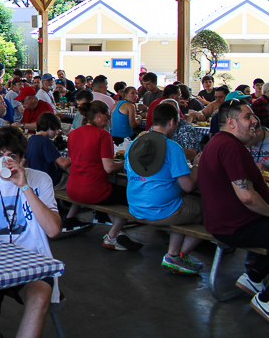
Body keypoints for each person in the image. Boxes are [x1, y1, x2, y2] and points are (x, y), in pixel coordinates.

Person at [0, 126, 61, 338]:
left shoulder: (40, 180)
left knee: (39, 297)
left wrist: (24, 186)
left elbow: (53, 230)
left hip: (32, 265)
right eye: (0, 155)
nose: (5, 161)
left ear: (22, 159)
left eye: (12, 156)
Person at [197, 99, 269, 321]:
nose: (254, 121)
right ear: (231, 122)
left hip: (229, 222)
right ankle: (265, 300)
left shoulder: (220, 142)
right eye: (248, 117)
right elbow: (247, 196)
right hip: (235, 226)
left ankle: (254, 277)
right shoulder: (230, 147)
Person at [125, 103, 204, 274]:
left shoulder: (134, 144)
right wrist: (197, 166)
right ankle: (178, 256)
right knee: (208, 211)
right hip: (161, 211)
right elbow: (188, 186)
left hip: (135, 207)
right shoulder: (173, 147)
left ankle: (173, 254)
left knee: (180, 202)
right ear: (173, 122)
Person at [65, 100, 141, 249]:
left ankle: (120, 234)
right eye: (107, 116)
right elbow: (109, 167)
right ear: (99, 116)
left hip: (73, 189)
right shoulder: (103, 134)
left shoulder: (73, 134)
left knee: (115, 194)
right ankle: (112, 235)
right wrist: (126, 162)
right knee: (131, 196)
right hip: (94, 191)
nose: (108, 120)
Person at [25, 113, 71, 187]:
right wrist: (74, 155)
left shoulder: (30, 139)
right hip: (51, 180)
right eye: (56, 129)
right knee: (76, 179)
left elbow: (24, 160)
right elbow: (64, 164)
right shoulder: (46, 142)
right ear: (50, 128)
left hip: (35, 179)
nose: (56, 133)